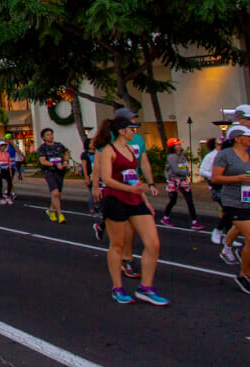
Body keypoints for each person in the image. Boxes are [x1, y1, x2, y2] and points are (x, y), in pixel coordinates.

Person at [94, 115, 169, 305]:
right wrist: (130, 189)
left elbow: (133, 177)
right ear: (122, 131)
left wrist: (144, 198)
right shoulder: (108, 151)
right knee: (117, 245)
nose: (133, 132)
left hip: (135, 200)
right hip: (115, 200)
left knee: (153, 243)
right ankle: (117, 288)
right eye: (131, 128)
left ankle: (146, 288)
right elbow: (107, 179)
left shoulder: (130, 150)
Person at [210, 125, 250, 294]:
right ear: (238, 138)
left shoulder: (249, 154)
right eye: (248, 136)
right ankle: (244, 275)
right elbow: (215, 178)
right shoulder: (225, 155)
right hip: (232, 201)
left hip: (248, 199)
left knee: (241, 231)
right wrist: (239, 178)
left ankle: (227, 249)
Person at [162, 138, 203, 229]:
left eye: (180, 144)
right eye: (177, 145)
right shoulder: (172, 156)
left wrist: (186, 172)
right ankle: (166, 217)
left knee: (189, 200)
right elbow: (176, 170)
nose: (179, 146)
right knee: (173, 200)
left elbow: (183, 167)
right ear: (172, 146)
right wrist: (187, 173)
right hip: (173, 180)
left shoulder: (182, 156)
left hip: (182, 180)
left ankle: (194, 221)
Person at [37, 128, 70, 223]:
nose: (50, 136)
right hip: (49, 172)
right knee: (55, 193)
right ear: (43, 137)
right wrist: (55, 165)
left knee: (57, 194)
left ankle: (51, 210)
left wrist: (65, 161)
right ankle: (60, 214)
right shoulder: (43, 148)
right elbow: (43, 161)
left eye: (51, 134)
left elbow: (66, 153)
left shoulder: (59, 145)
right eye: (47, 135)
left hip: (60, 172)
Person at [79, 137, 98, 216]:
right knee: (91, 192)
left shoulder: (97, 153)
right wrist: (86, 177)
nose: (93, 144)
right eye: (91, 143)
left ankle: (97, 207)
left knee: (98, 191)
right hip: (90, 175)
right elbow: (84, 166)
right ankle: (92, 209)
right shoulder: (85, 154)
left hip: (97, 174)